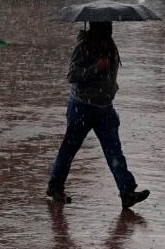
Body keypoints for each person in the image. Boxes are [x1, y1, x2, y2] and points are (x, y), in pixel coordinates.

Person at [47, 21, 148, 209]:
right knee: (68, 150)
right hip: (82, 106)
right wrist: (95, 68)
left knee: (114, 151)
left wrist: (111, 87)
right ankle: (55, 187)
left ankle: (127, 192)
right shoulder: (83, 47)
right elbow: (72, 75)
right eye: (106, 26)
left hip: (105, 109)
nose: (110, 29)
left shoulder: (110, 45)